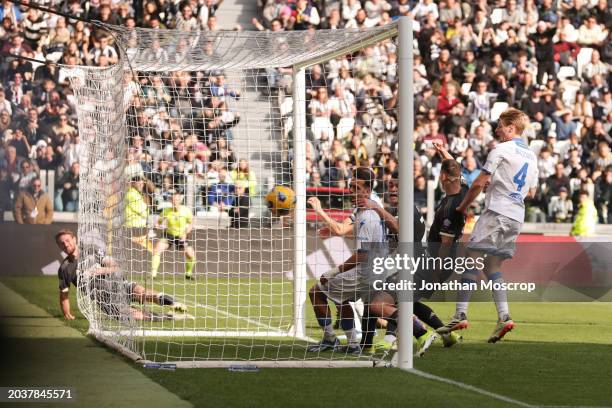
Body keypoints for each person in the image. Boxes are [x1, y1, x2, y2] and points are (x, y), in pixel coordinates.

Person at [438, 108, 539, 343]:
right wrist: (503, 185)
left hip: (496, 212)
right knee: (492, 266)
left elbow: (478, 183)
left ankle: (459, 314)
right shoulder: (532, 156)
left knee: (471, 257)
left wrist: (462, 207)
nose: (497, 130)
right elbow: (531, 192)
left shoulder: (501, 149)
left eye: (501, 126)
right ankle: (504, 316)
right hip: (516, 217)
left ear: (511, 127)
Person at [306, 167, 386, 355]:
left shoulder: (367, 215)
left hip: (367, 270)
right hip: (377, 267)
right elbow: (346, 231)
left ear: (367, 190)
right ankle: (351, 344)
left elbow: (362, 254)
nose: (352, 191)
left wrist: (333, 271)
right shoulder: (367, 207)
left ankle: (330, 338)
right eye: (351, 187)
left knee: (316, 291)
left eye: (357, 187)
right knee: (343, 299)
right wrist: (332, 230)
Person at [55, 229, 187, 321]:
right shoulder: (65, 269)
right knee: (137, 316)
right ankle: (171, 317)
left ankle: (178, 307)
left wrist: (100, 270)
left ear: (74, 239)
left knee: (143, 292)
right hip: (107, 301)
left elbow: (115, 266)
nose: (66, 244)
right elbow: (64, 295)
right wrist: (67, 313)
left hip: (119, 285)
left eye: (67, 240)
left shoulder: (92, 250)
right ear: (59, 247)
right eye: (62, 243)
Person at [151, 191, 196, 279]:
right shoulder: (166, 211)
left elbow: (191, 223)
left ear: (180, 201)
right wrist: (154, 228)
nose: (174, 202)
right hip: (169, 235)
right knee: (157, 250)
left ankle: (188, 274)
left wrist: (185, 234)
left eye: (176, 200)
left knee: (190, 255)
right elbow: (158, 222)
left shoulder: (186, 211)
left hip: (181, 235)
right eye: (173, 200)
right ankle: (153, 274)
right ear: (171, 201)